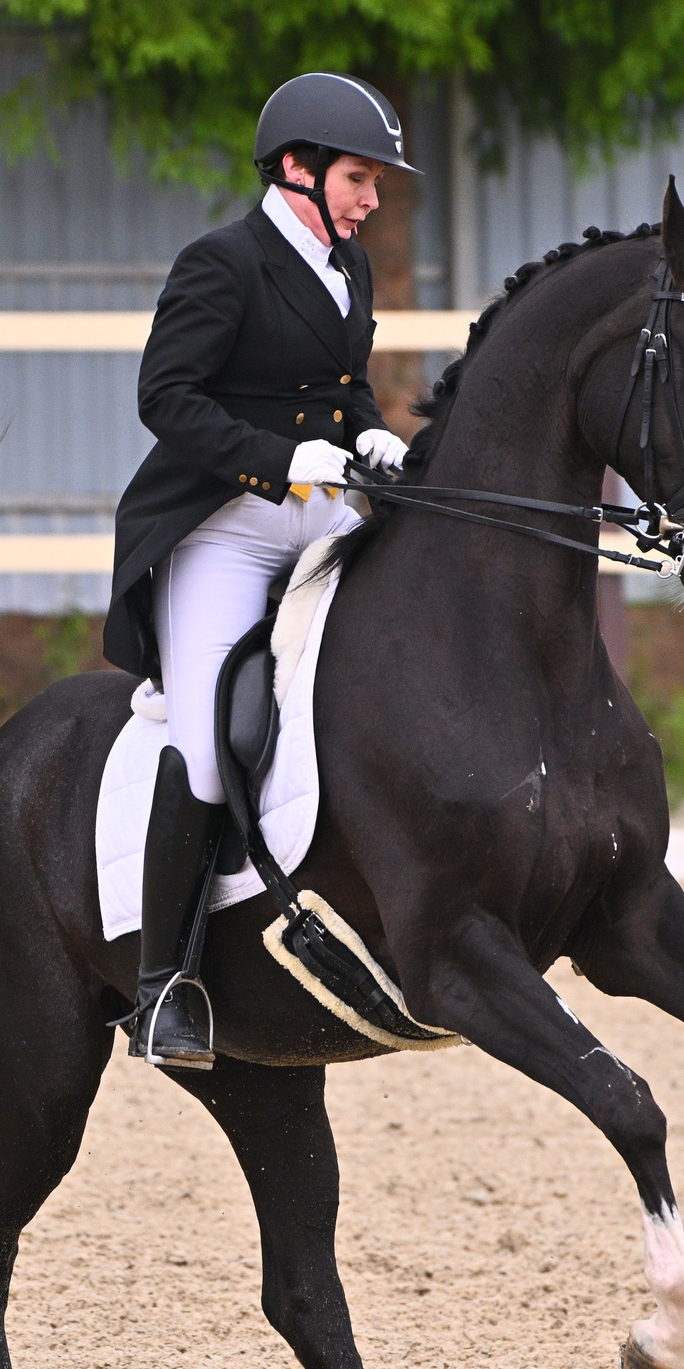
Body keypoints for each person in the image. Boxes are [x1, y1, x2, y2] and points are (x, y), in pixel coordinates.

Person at [103, 73, 417, 1069]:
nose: (371, 199)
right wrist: (279, 460)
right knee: (201, 745)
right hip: (225, 530)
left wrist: (376, 441)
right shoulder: (222, 263)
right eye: (358, 179)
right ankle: (163, 988)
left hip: (322, 515)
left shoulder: (347, 266)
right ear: (296, 167)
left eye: (372, 182)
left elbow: (342, 390)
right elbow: (166, 397)